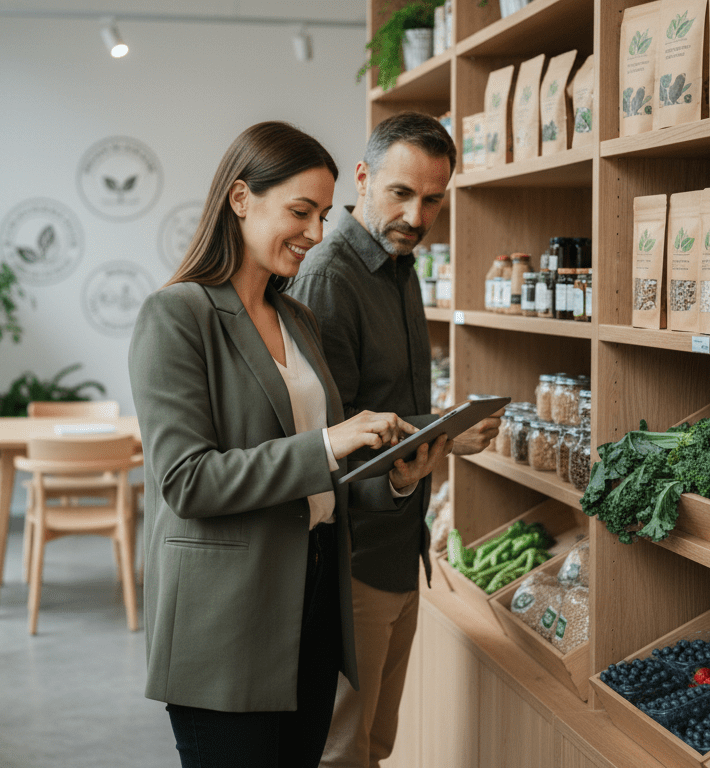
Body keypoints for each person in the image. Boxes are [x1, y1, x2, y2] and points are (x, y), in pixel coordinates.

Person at [128, 121, 451, 768]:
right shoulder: (178, 315)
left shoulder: (296, 317)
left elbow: (327, 462)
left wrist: (395, 476)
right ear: (241, 199)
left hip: (315, 598)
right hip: (226, 617)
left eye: (324, 215)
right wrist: (329, 444)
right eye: (299, 211)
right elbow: (187, 481)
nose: (315, 232)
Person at [287, 111, 500, 768]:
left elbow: (387, 411)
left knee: (375, 743)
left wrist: (444, 434)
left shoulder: (398, 264)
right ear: (362, 177)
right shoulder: (331, 275)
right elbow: (333, 434)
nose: (416, 213)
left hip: (398, 547)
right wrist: (421, 455)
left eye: (434, 198)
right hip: (352, 557)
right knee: (344, 750)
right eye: (401, 193)